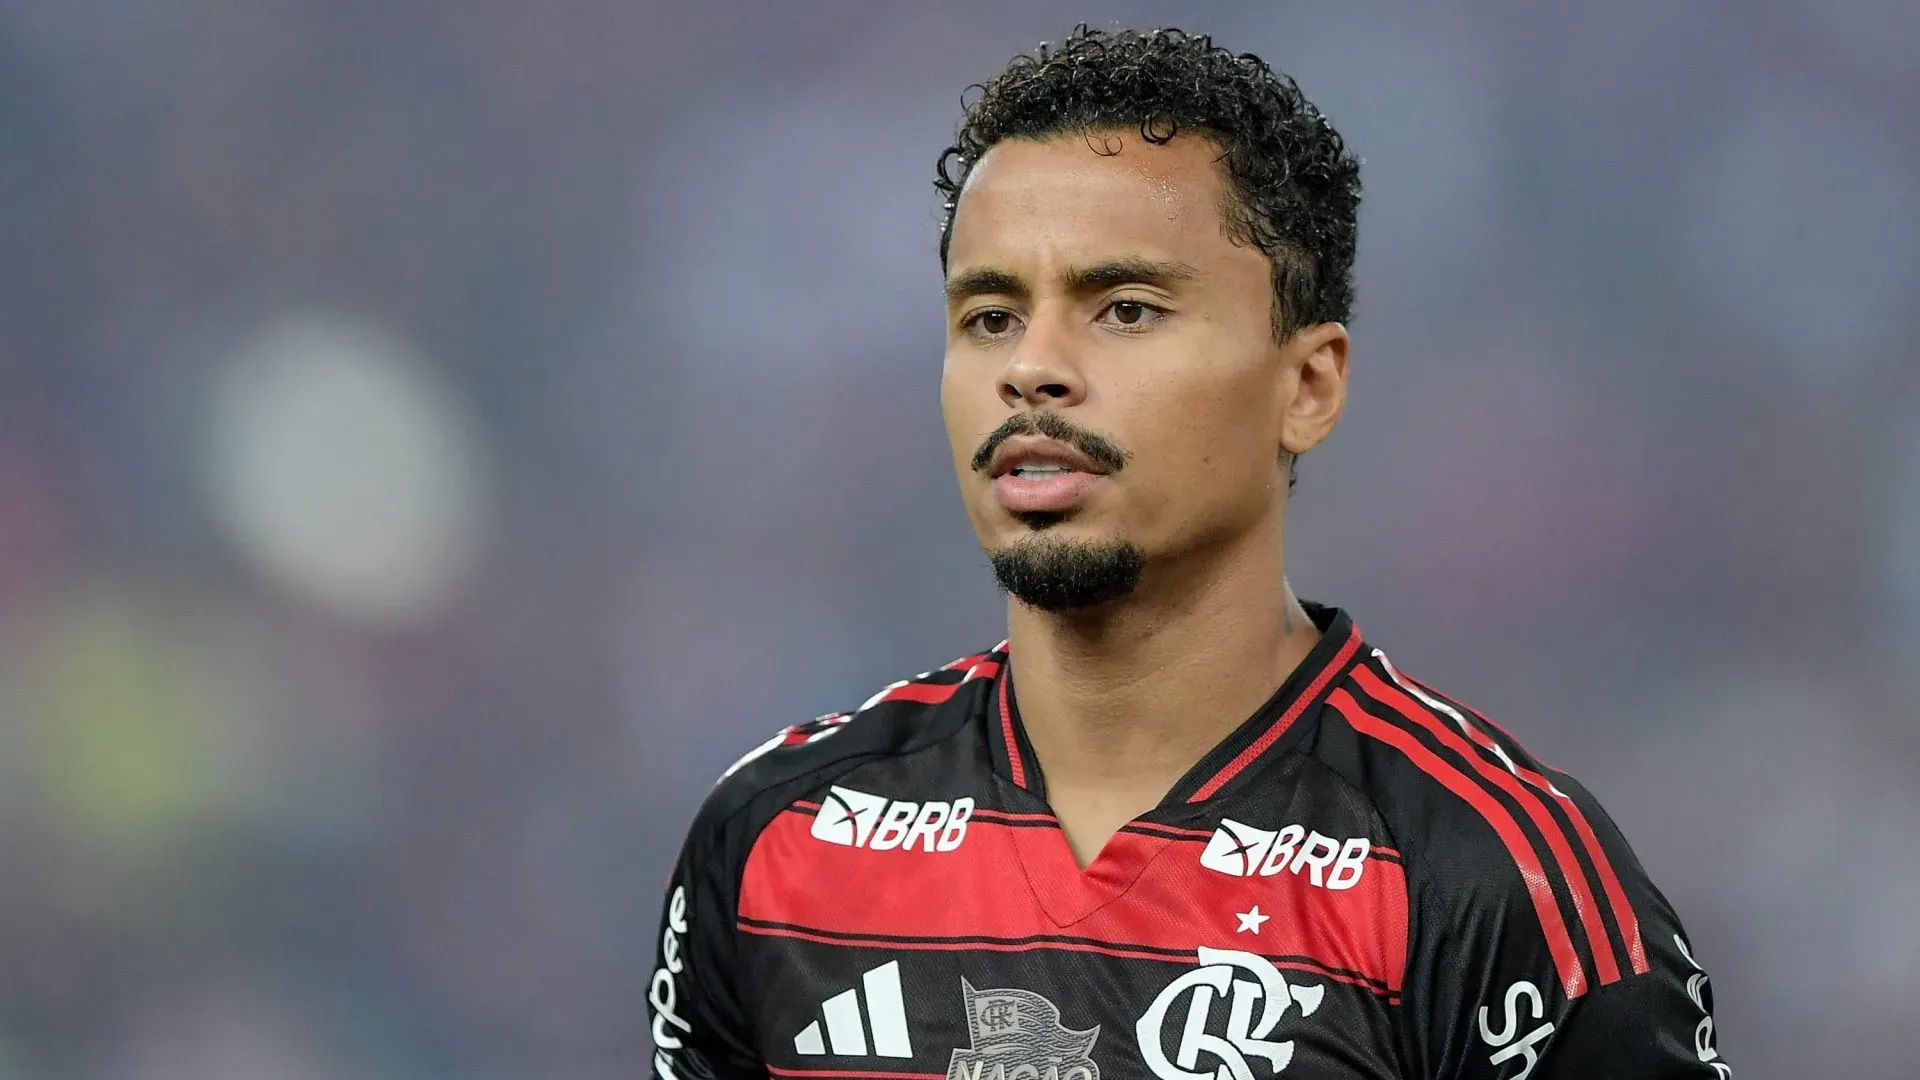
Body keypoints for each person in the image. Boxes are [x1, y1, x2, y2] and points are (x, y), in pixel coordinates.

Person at [648, 25, 1730, 1080]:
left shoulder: (1492, 877)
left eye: (1123, 309)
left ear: (1308, 386)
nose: (1032, 369)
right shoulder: (774, 842)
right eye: (988, 316)